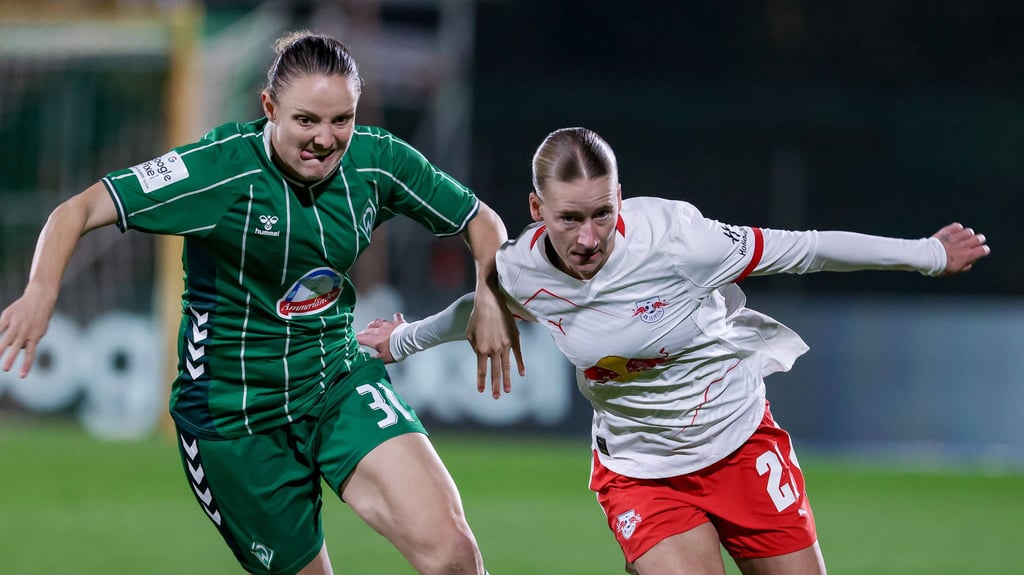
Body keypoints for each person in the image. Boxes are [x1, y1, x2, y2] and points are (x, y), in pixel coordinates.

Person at [356, 127, 991, 575]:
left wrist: (928, 254)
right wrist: (403, 340)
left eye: (602, 214)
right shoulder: (522, 271)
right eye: (569, 218)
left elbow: (808, 247)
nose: (587, 238)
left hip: (739, 443)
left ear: (621, 199)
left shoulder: (679, 242)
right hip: (641, 472)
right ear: (535, 209)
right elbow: (478, 309)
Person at [0, 31, 521, 575]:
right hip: (235, 422)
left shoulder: (377, 161)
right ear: (269, 107)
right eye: (306, 121)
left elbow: (482, 222)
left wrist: (489, 294)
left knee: (455, 556)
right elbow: (77, 210)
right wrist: (41, 291)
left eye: (341, 120)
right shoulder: (219, 169)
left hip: (335, 381)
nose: (325, 139)